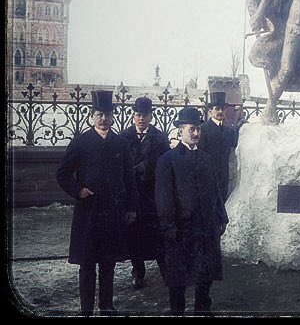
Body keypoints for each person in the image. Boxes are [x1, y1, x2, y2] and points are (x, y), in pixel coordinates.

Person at [56, 90, 137, 317]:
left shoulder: (120, 143)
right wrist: (77, 191)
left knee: (108, 262)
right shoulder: (81, 142)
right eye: (100, 114)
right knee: (88, 263)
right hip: (88, 211)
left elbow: (129, 179)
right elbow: (62, 173)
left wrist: (131, 208)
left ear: (113, 116)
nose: (104, 119)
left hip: (113, 211)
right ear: (92, 116)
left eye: (108, 114)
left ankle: (106, 306)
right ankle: (86, 310)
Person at [155, 106, 228, 316]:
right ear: (181, 131)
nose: (195, 133)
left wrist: (221, 218)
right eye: (191, 129)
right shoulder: (168, 160)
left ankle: (202, 309)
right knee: (178, 278)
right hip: (181, 229)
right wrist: (168, 227)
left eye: (198, 129)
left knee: (205, 274)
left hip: (205, 227)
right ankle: (177, 311)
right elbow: (163, 197)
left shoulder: (207, 159)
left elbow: (215, 190)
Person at [121, 96, 170, 289]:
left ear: (151, 116)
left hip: (152, 194)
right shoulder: (124, 137)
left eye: (145, 115)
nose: (141, 118)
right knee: (133, 233)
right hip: (132, 194)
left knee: (157, 233)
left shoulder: (159, 137)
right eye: (138, 115)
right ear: (133, 116)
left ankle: (165, 270)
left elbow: (164, 162)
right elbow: (120, 163)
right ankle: (138, 271)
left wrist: (145, 167)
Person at [198, 91, 239, 202]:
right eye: (217, 109)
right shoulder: (203, 129)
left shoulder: (229, 131)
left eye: (222, 109)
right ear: (210, 111)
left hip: (223, 176)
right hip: (207, 176)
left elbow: (234, 146)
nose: (220, 111)